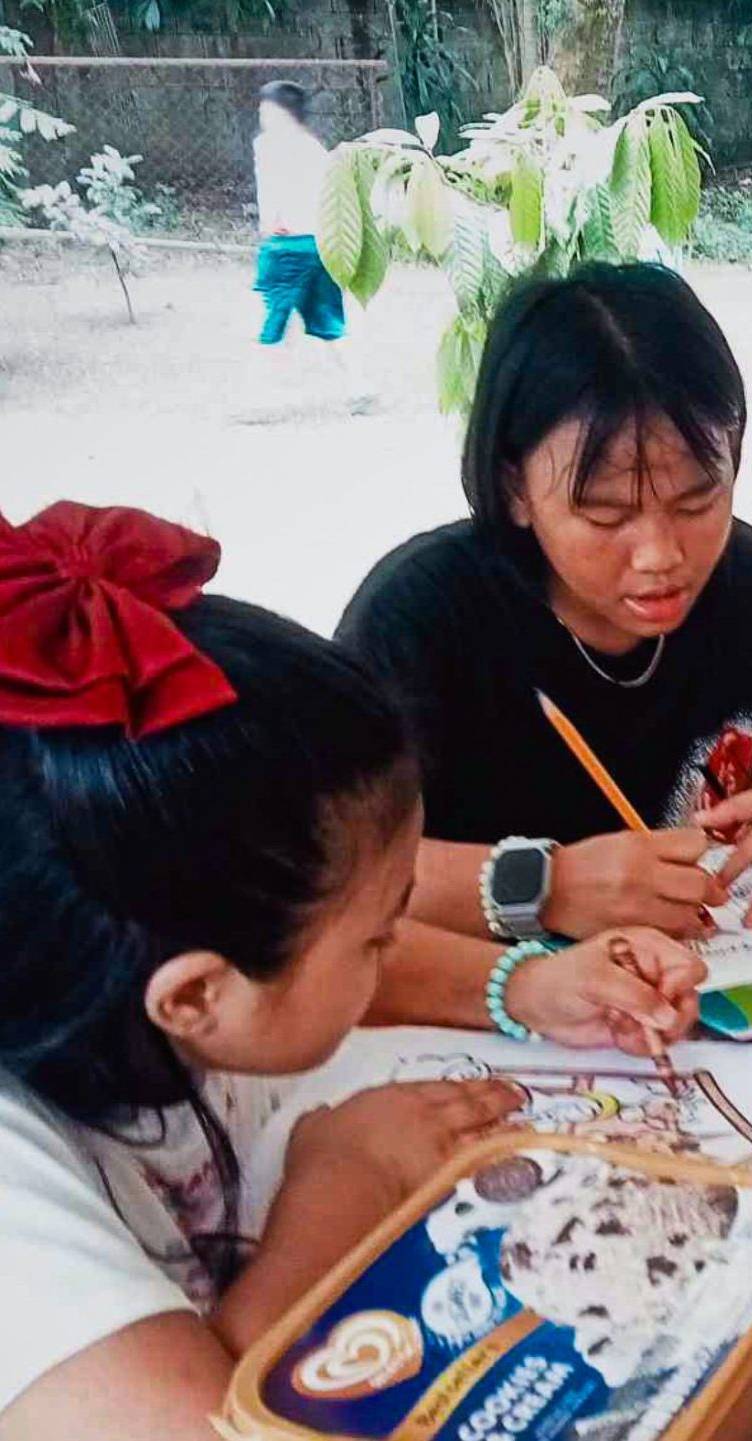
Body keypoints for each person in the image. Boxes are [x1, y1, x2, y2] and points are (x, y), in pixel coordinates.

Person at [0, 502, 703, 1437]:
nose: (394, 942)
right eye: (377, 932)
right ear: (197, 996)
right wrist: (342, 1185)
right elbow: (216, 1430)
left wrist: (528, 985)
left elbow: (315, 957)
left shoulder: (128, 959)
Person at [337, 263, 752, 947]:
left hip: (702, 984)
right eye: (605, 514)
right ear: (515, 489)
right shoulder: (421, 614)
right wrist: (549, 886)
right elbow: (329, 869)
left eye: (696, 501)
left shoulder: (741, 581)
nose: (660, 555)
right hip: (480, 1004)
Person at [251, 81, 348, 354]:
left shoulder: (269, 145)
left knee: (275, 320)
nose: (261, 115)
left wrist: (272, 223)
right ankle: (359, 384)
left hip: (289, 245)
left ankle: (261, 383)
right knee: (327, 321)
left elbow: (273, 192)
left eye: (266, 109)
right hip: (318, 245)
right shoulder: (313, 147)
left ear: (283, 113)